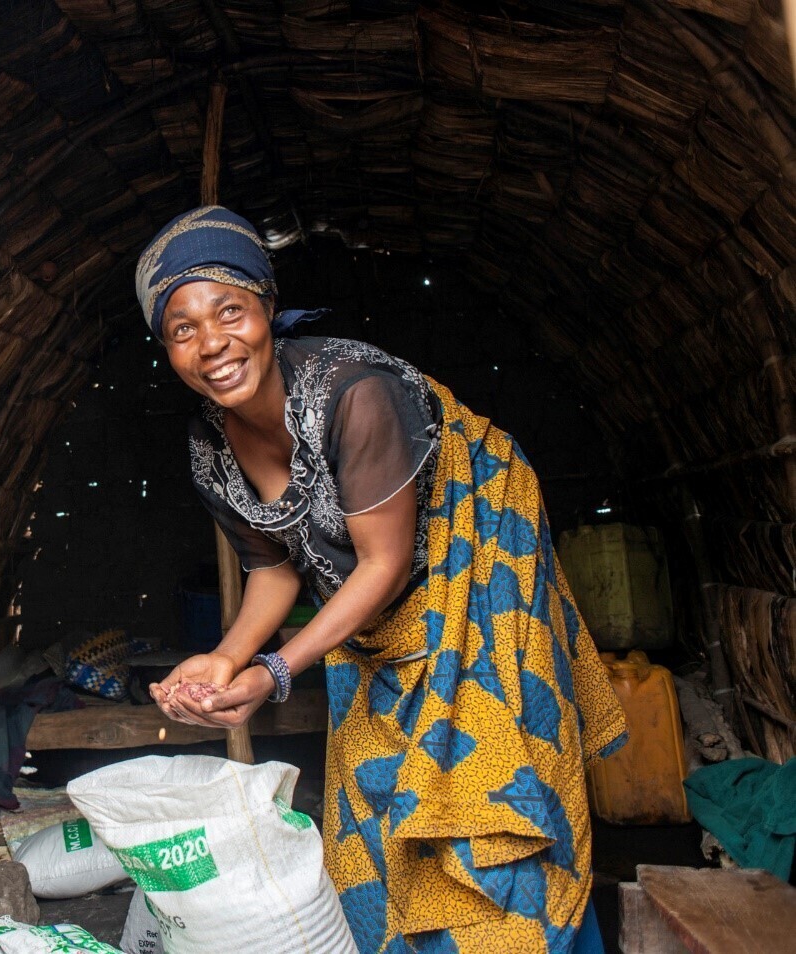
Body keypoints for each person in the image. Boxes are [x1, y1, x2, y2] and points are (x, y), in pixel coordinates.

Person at [141, 206, 627, 953]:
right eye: (182, 329)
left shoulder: (352, 391)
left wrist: (274, 669)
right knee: (381, 777)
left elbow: (381, 562)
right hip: (371, 591)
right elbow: (273, 569)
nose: (212, 344)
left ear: (266, 307)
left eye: (228, 311)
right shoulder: (208, 442)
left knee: (489, 771)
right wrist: (225, 658)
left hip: (476, 539)